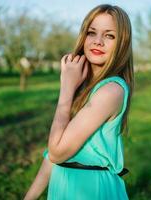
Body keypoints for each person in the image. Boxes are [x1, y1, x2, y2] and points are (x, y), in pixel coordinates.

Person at [24, 4, 134, 200]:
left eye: (109, 35)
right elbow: (54, 154)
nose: (98, 41)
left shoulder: (111, 90)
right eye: (92, 33)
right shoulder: (85, 87)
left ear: (122, 44)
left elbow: (58, 153)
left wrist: (66, 88)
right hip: (63, 184)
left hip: (90, 190)